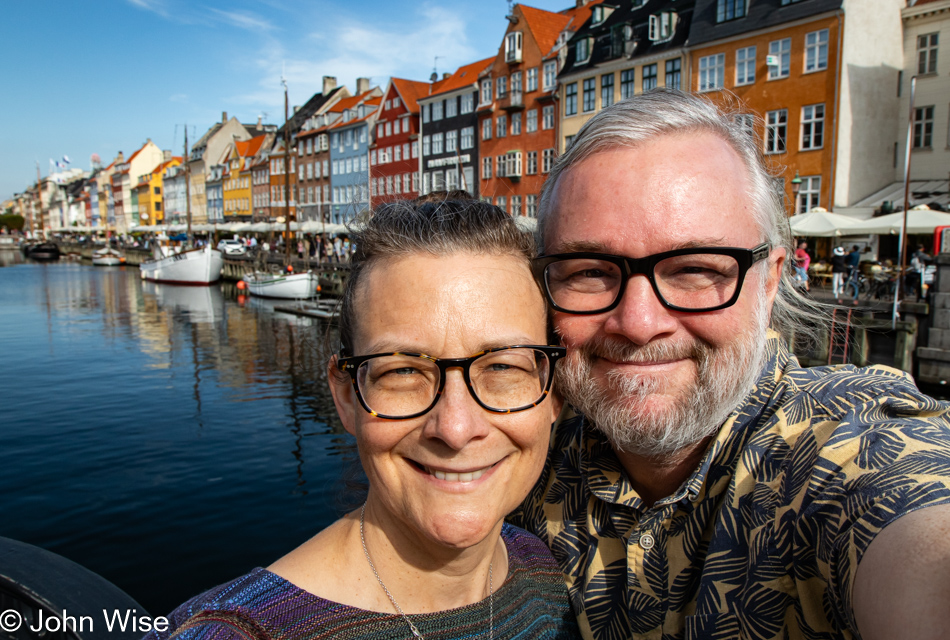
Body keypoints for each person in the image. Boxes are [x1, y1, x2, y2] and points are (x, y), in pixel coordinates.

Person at [513, 89, 950, 640]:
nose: (639, 322)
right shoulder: (523, 455)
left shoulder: (842, 449)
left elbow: (915, 522)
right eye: (590, 271)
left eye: (694, 268)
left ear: (768, 283)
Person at [147, 200, 578, 640]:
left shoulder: (546, 572)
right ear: (346, 395)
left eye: (503, 367)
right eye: (403, 371)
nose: (455, 427)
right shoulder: (236, 633)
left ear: (554, 394)